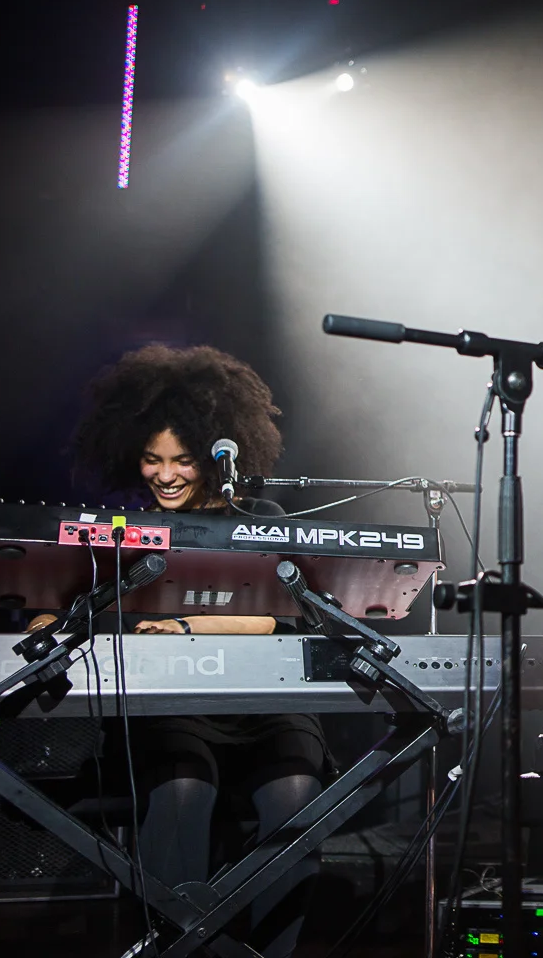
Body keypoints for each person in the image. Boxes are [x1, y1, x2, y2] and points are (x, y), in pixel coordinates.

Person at [29, 344, 323, 957]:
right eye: (151, 460)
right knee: (182, 788)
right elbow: (63, 597)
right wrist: (44, 616)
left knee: (296, 792)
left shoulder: (258, 514)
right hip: (173, 708)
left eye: (182, 460)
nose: (164, 475)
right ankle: (183, 947)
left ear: (214, 458)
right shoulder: (121, 530)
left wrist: (190, 627)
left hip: (265, 706)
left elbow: (276, 618)